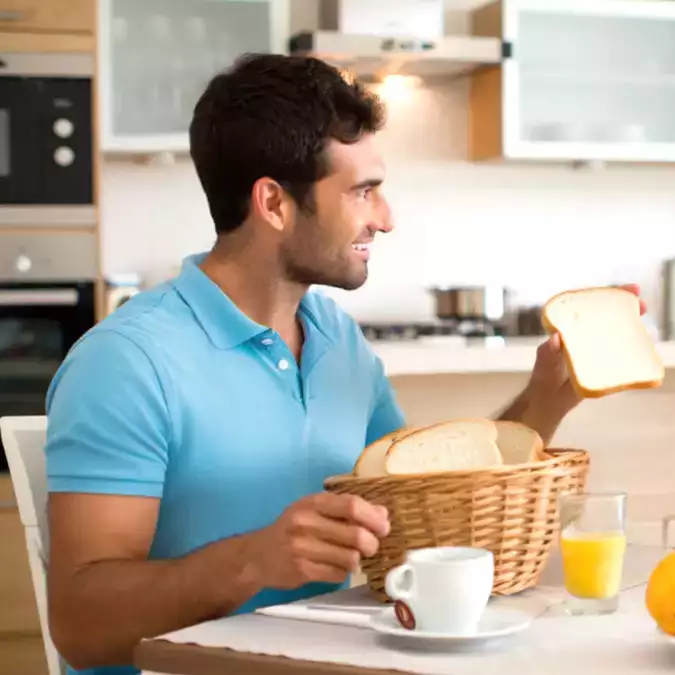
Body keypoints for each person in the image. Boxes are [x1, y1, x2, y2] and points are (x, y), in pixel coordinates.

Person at [42, 53, 642, 675]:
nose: (385, 218)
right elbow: (81, 627)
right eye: (363, 191)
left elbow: (420, 516)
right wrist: (251, 561)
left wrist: (545, 398)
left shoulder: (336, 338)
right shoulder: (127, 363)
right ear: (274, 203)